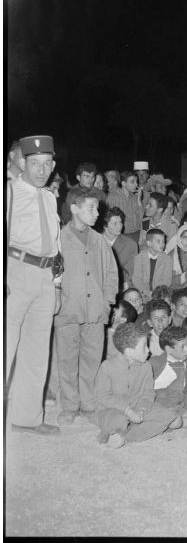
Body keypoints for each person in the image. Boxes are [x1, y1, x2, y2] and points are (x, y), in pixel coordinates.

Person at [6, 135, 61, 435]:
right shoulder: (9, 193)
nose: (41, 170)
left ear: (53, 166)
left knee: (36, 351)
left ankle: (26, 418)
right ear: (23, 163)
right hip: (14, 271)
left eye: (46, 164)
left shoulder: (50, 197)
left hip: (43, 276)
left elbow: (54, 244)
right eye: (35, 164)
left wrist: (57, 283)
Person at [54, 190, 118, 425]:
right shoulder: (58, 239)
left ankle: (89, 403)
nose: (97, 213)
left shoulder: (99, 240)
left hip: (95, 311)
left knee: (91, 358)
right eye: (91, 208)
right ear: (74, 208)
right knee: (67, 360)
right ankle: (70, 405)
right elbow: (51, 273)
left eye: (97, 208)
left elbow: (112, 272)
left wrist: (107, 301)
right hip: (68, 310)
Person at [94, 322, 182, 449]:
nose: (148, 350)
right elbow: (103, 397)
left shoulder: (146, 366)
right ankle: (130, 428)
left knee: (175, 420)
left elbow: (149, 393)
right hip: (111, 409)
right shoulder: (107, 366)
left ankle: (125, 436)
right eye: (144, 347)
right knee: (119, 421)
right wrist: (127, 411)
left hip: (138, 406)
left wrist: (141, 409)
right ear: (129, 352)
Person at [102, 207, 138, 291]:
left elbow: (131, 273)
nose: (120, 226)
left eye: (120, 222)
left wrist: (125, 285)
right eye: (115, 223)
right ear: (105, 226)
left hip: (121, 286)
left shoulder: (130, 245)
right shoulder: (95, 242)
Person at [131, 229, 172, 301]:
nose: (162, 244)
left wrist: (155, 293)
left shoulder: (167, 259)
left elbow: (166, 280)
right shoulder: (139, 257)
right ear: (149, 243)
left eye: (163, 241)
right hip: (142, 292)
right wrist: (145, 291)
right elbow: (137, 279)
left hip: (159, 293)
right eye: (158, 241)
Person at [106, 170, 144, 244]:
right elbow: (107, 218)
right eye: (132, 182)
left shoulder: (134, 197)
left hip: (136, 234)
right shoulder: (113, 197)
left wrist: (139, 200)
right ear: (123, 183)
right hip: (120, 235)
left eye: (136, 181)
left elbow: (141, 218)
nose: (136, 184)